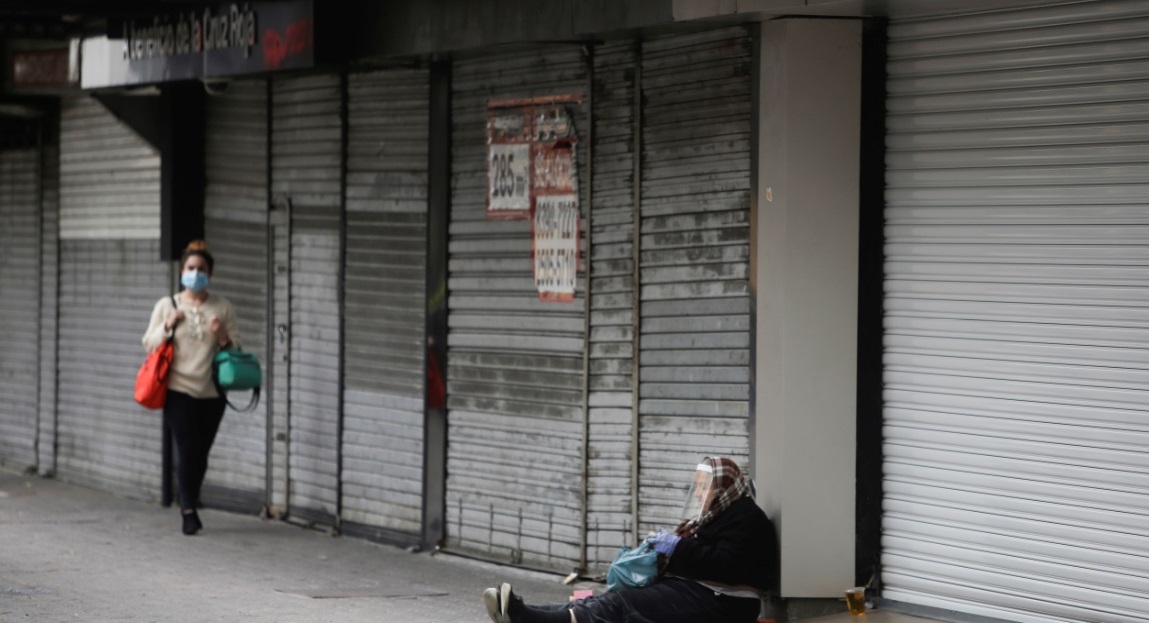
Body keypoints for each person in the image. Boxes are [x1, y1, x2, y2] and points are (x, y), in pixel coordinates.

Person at [482, 457, 778, 623]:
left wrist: (678, 547)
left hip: (726, 600)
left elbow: (729, 566)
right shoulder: (713, 516)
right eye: (697, 487)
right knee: (602, 598)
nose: (699, 494)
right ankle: (522, 613)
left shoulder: (746, 518)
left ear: (725, 487)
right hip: (697, 588)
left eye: (705, 487)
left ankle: (527, 620)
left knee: (622, 603)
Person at [141, 240, 241, 536]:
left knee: (201, 451)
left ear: (210, 273)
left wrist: (222, 335)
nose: (195, 273)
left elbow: (236, 347)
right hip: (177, 388)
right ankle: (188, 510)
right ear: (182, 270)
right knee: (187, 447)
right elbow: (149, 343)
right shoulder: (167, 305)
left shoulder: (222, 308)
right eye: (191, 268)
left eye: (201, 269)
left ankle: (190, 495)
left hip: (212, 392)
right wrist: (168, 326)